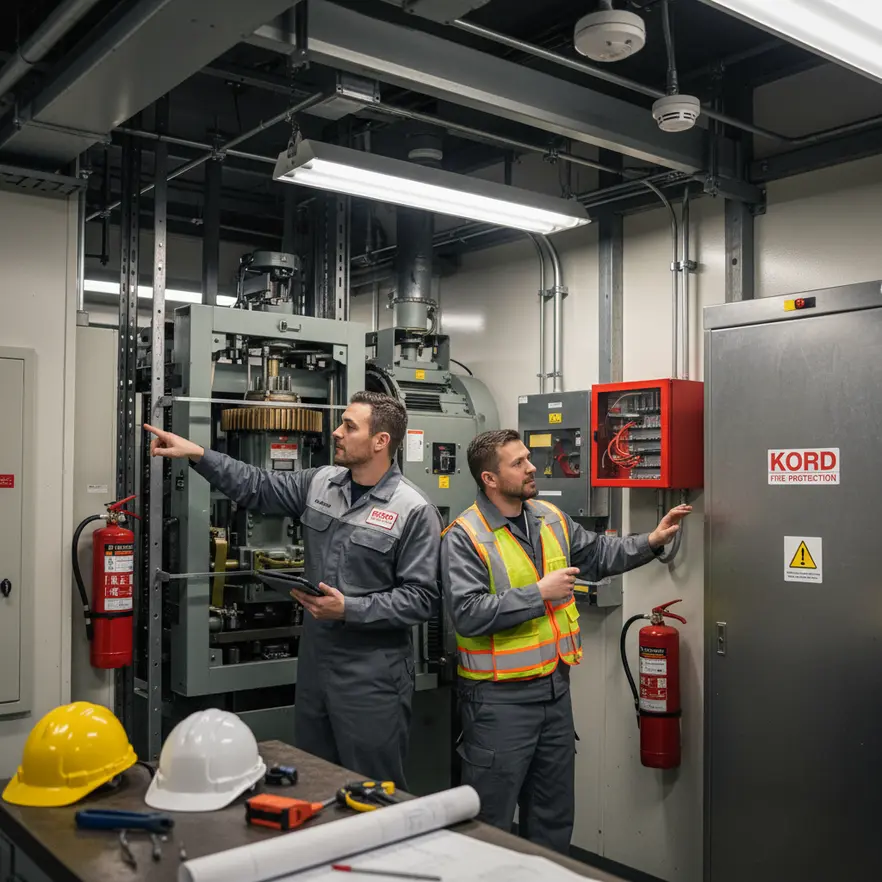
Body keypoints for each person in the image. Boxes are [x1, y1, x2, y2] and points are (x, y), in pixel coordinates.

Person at [144, 391, 442, 787]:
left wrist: (348, 609)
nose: (336, 432)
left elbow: (421, 598)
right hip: (316, 664)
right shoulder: (320, 482)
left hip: (373, 673)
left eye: (349, 426)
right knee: (316, 778)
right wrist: (198, 453)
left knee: (372, 786)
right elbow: (257, 484)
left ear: (380, 441)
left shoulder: (413, 509)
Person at [441, 429, 692, 853]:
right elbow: (467, 613)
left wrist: (651, 541)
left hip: (554, 695)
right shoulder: (465, 536)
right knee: (490, 823)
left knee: (553, 816)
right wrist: (538, 595)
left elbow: (597, 553)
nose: (531, 467)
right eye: (518, 463)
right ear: (489, 479)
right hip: (497, 701)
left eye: (528, 458)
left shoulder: (549, 518)